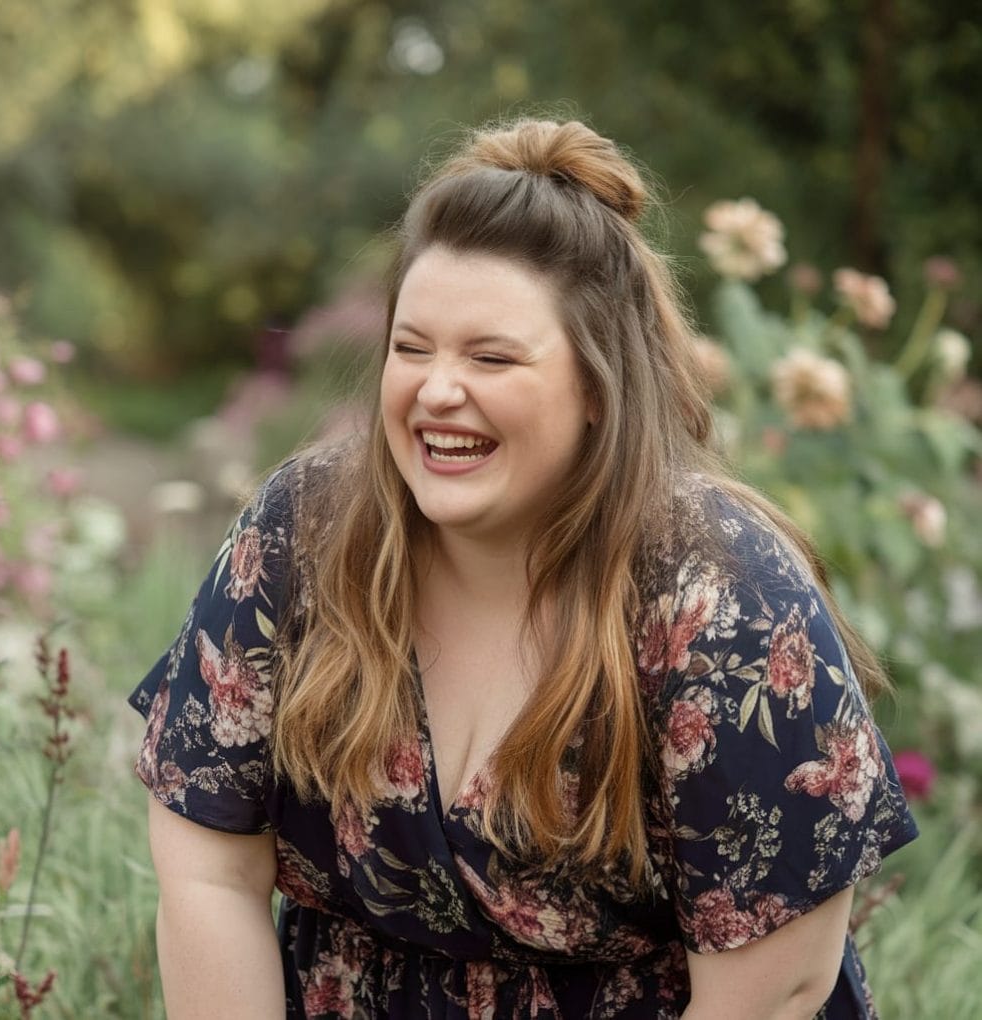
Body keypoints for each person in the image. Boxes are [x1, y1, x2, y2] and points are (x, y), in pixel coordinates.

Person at [129, 118, 918, 1019]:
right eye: (412, 347)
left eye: (491, 357)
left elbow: (778, 989)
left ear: (596, 386)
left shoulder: (724, 600)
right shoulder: (303, 536)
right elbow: (208, 872)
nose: (435, 391)